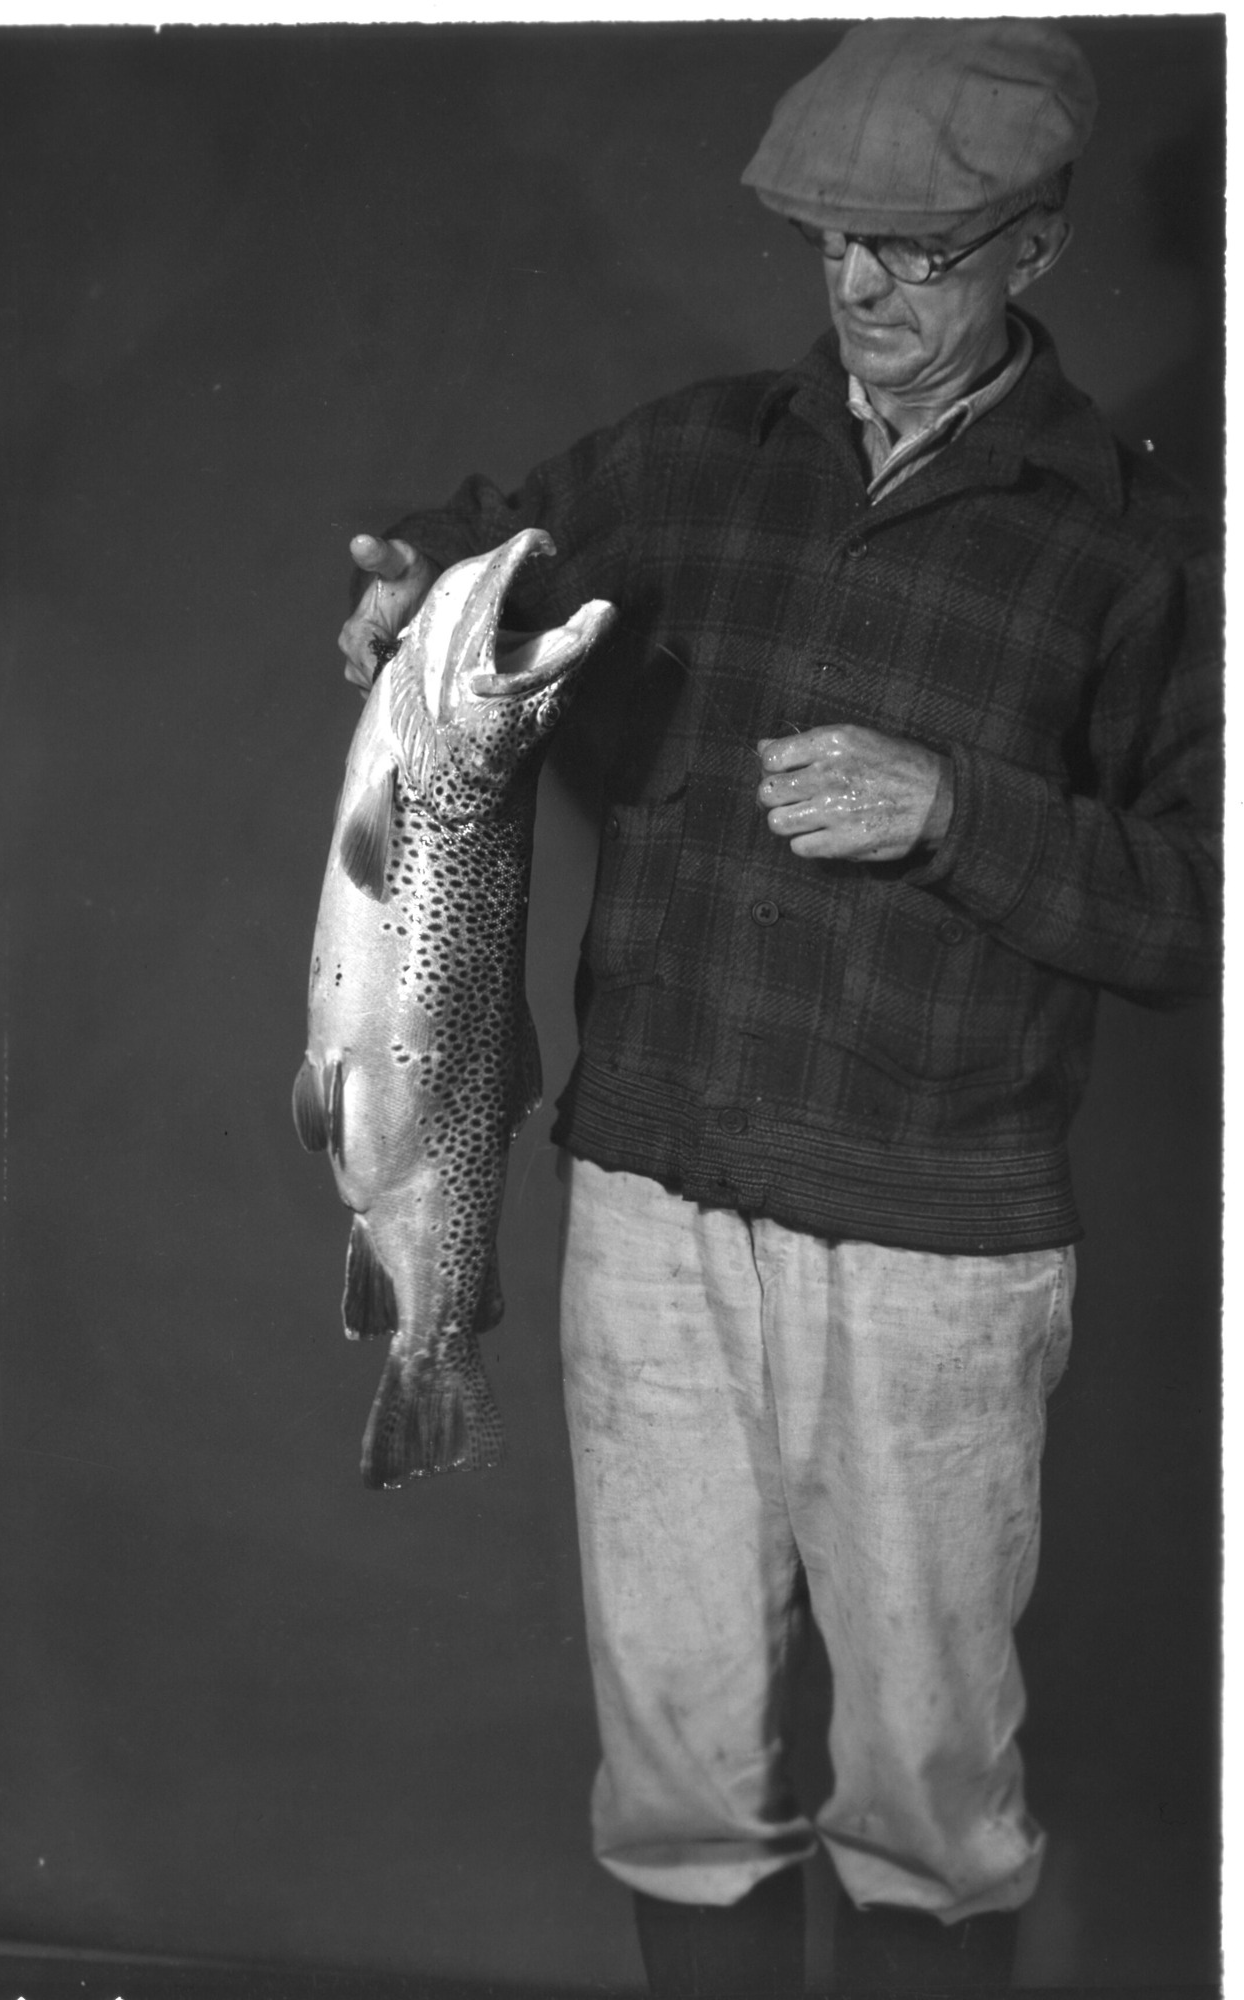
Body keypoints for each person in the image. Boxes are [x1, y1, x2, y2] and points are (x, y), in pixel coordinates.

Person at [337, 21, 1219, 1995]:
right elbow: (491, 558)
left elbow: (1199, 910)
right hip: (649, 1208)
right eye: (834, 241)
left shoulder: (1142, 545)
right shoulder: (695, 454)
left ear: (1040, 239)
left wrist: (956, 811)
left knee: (923, 1805)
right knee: (674, 1773)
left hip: (936, 1255)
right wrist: (414, 579)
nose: (861, 288)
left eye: (918, 247)